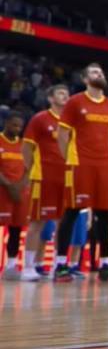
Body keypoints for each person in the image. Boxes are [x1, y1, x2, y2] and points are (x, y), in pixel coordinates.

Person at [55, 63, 108, 281]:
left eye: (101, 71)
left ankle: (105, 264)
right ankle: (61, 264)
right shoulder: (75, 102)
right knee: (72, 211)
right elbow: (62, 134)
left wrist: (105, 153)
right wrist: (69, 158)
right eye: (94, 72)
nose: (99, 74)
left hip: (104, 164)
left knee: (104, 214)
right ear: (84, 79)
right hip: (80, 163)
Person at [22, 85, 70, 280]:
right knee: (37, 222)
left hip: (65, 178)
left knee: (62, 223)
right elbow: (27, 148)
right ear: (50, 98)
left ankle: (57, 266)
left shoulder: (71, 122)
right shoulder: (40, 119)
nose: (65, 96)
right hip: (43, 178)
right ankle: (28, 266)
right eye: (60, 93)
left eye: (67, 94)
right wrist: (32, 169)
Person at [0, 112, 31, 280]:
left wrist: (19, 186)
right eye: (14, 125)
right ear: (6, 123)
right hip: (3, 190)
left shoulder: (23, 145)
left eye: (20, 126)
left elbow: (28, 168)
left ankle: (11, 265)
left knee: (16, 228)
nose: (17, 129)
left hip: (19, 192)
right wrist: (9, 186)